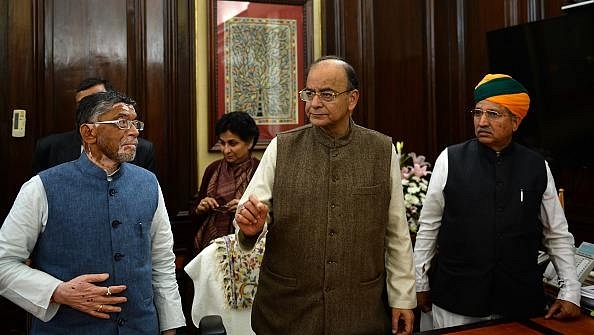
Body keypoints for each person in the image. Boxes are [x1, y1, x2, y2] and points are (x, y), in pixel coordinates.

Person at [233, 55, 416, 335]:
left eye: (327, 94)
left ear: (352, 99)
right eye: (310, 93)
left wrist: (402, 298)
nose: (314, 103)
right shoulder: (282, 148)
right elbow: (248, 219)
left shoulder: (381, 150)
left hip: (359, 313)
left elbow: (396, 234)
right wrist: (249, 229)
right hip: (287, 313)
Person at [0, 91, 185, 334]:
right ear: (89, 133)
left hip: (142, 327)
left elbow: (162, 263)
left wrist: (170, 327)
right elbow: (4, 263)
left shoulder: (148, 183)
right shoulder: (41, 187)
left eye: (135, 122)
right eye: (121, 122)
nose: (134, 131)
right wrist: (58, 291)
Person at [413, 74, 581, 328]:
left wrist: (570, 291)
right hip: (457, 302)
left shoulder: (536, 166)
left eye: (493, 114)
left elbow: (557, 234)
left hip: (519, 304)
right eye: (477, 112)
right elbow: (428, 228)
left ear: (515, 121)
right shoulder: (449, 159)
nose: (482, 121)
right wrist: (419, 283)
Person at [32, 77, 156, 175]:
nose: (134, 132)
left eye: (96, 100)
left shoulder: (142, 151)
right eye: (83, 104)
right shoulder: (49, 148)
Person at [191, 111, 260, 254]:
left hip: (247, 249)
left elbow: (271, 215)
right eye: (222, 143)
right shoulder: (213, 169)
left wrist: (245, 208)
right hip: (209, 246)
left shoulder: (260, 171)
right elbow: (194, 213)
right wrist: (201, 207)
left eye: (233, 143)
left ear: (250, 142)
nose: (226, 150)